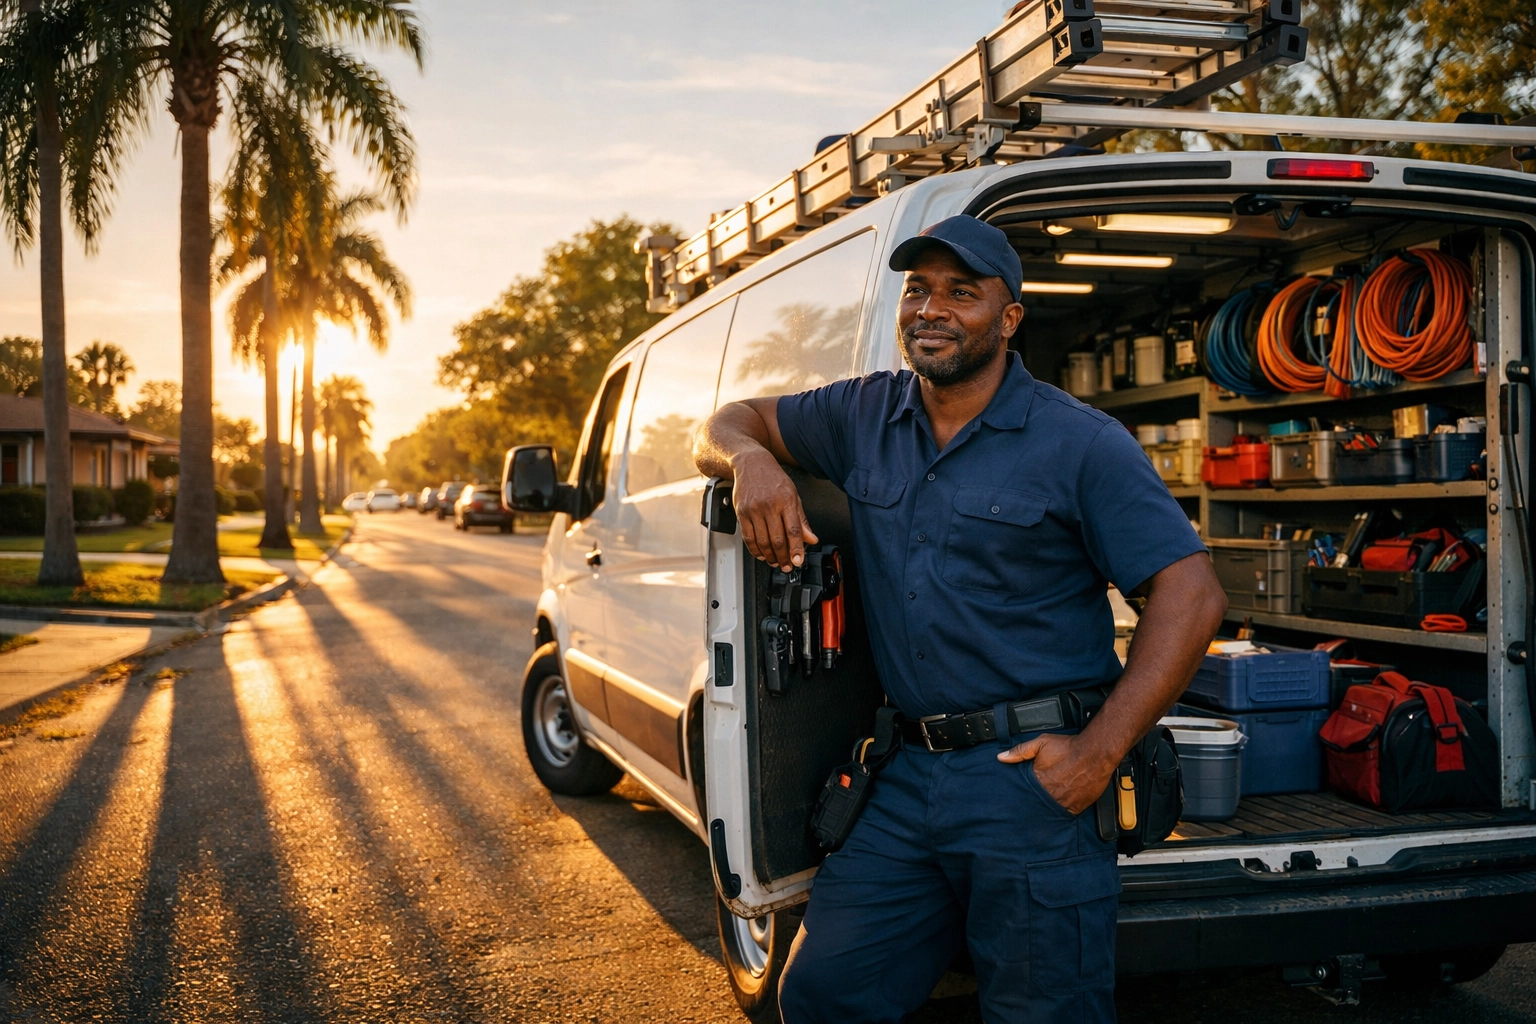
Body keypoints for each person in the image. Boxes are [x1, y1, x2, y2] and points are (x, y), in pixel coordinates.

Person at [693, 214, 1227, 1023]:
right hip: (909, 776)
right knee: (823, 994)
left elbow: (1192, 596)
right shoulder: (864, 415)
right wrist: (753, 462)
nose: (930, 309)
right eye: (918, 290)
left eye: (961, 293)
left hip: (1034, 781)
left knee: (1043, 1014)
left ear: (1009, 318)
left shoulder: (1079, 442)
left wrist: (1097, 753)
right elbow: (728, 419)